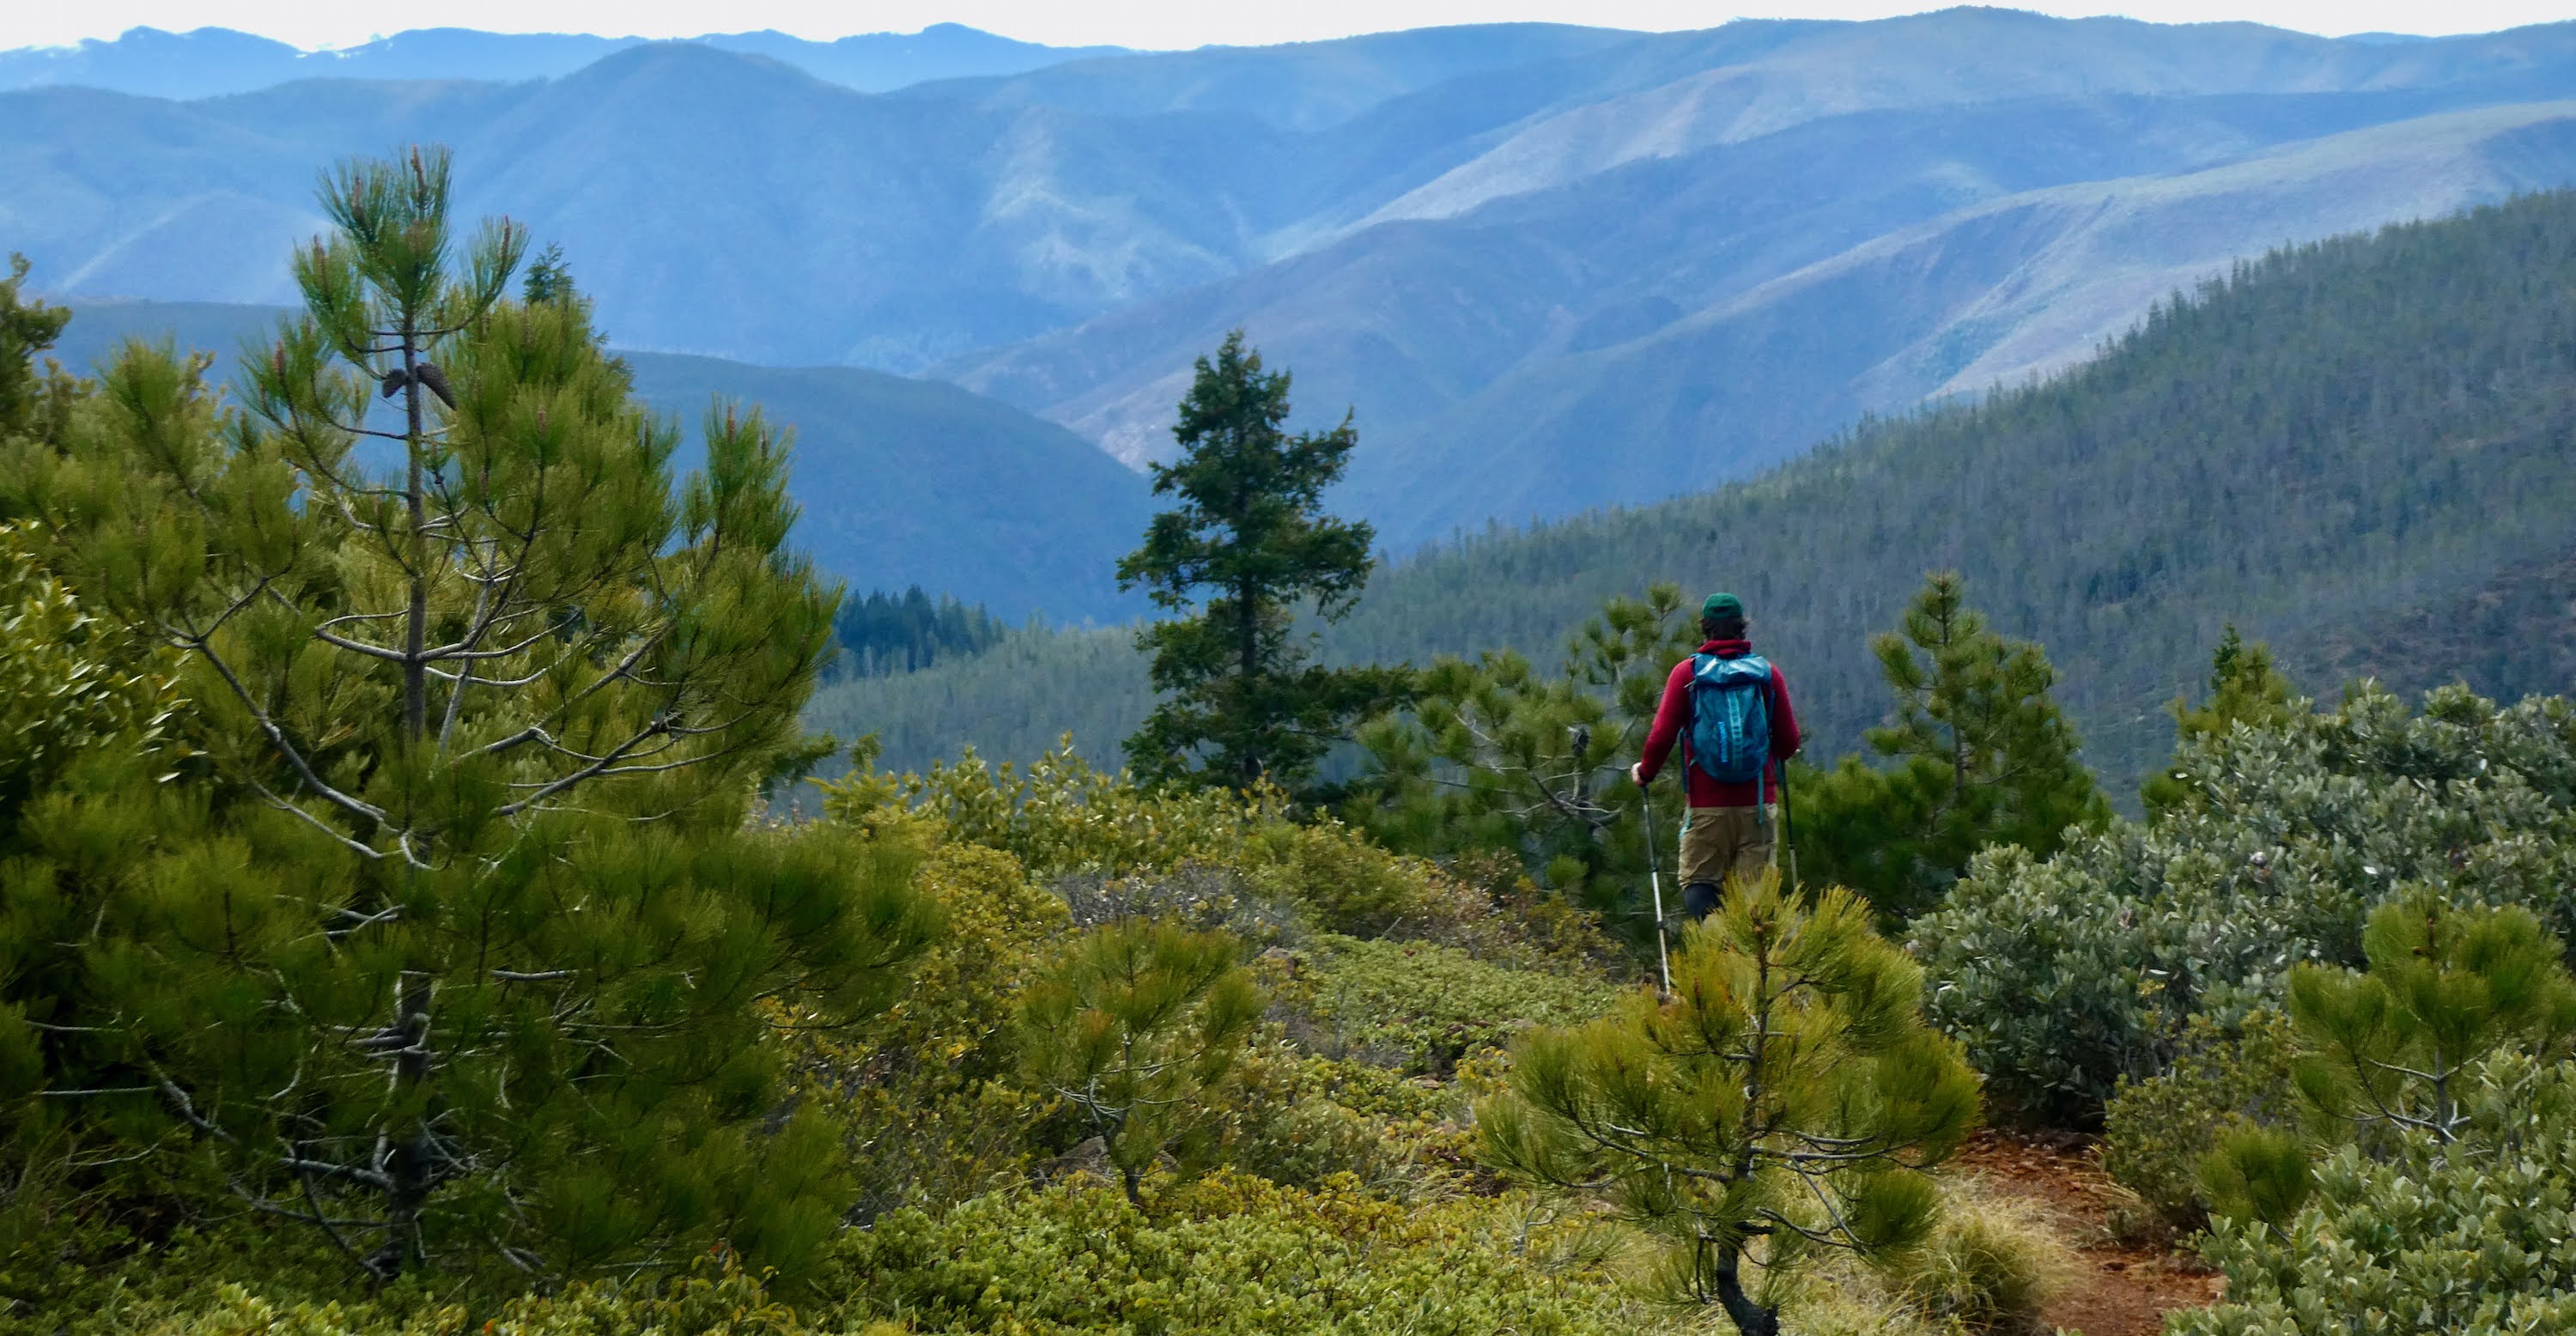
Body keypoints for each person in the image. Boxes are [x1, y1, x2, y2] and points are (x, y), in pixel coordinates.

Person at [1630, 592, 1801, 920]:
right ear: (1742, 627)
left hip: (1706, 806)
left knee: (1699, 882)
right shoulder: (1766, 674)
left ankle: (1717, 947)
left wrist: (1645, 773)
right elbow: (1788, 744)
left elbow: (1662, 735)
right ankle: (1751, 964)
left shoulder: (1688, 675)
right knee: (1755, 899)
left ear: (1705, 628)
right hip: (1757, 806)